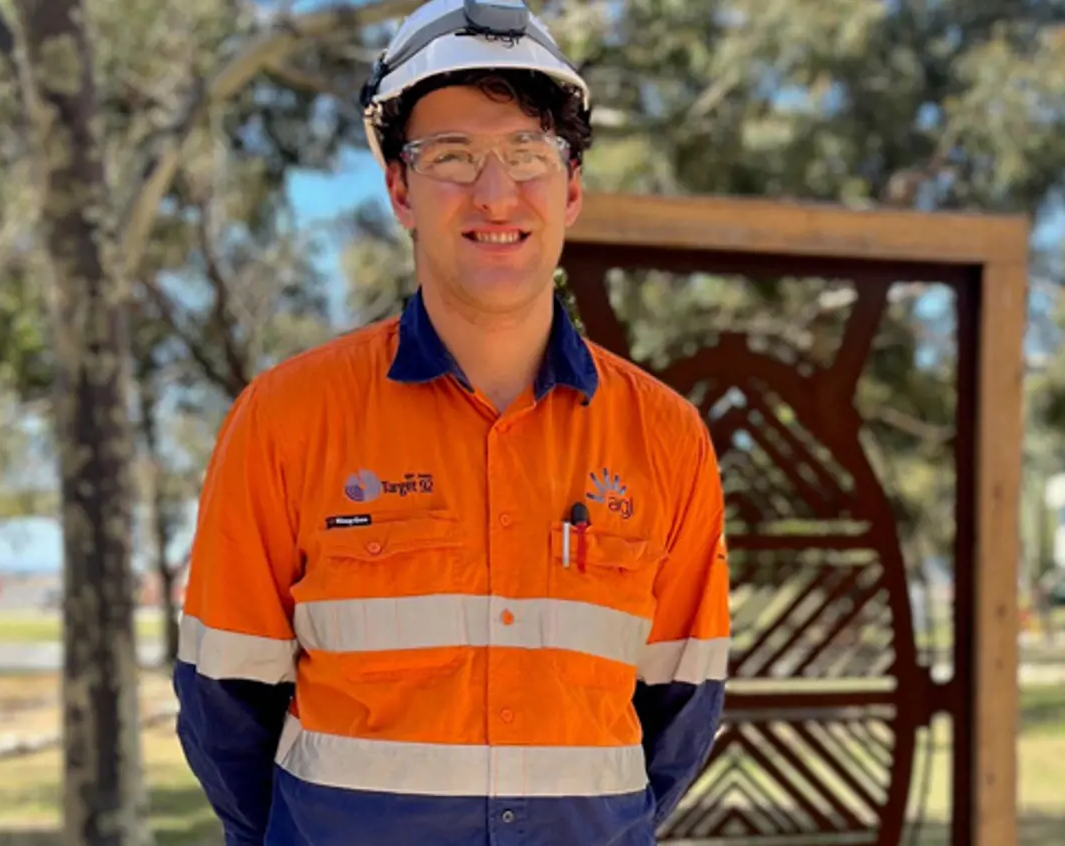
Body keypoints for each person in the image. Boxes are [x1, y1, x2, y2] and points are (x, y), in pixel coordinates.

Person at [172, 2, 732, 843]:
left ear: (571, 188)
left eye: (527, 153)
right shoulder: (285, 420)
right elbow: (224, 709)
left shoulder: (666, 440)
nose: (496, 191)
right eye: (453, 157)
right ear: (399, 188)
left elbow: (680, 708)